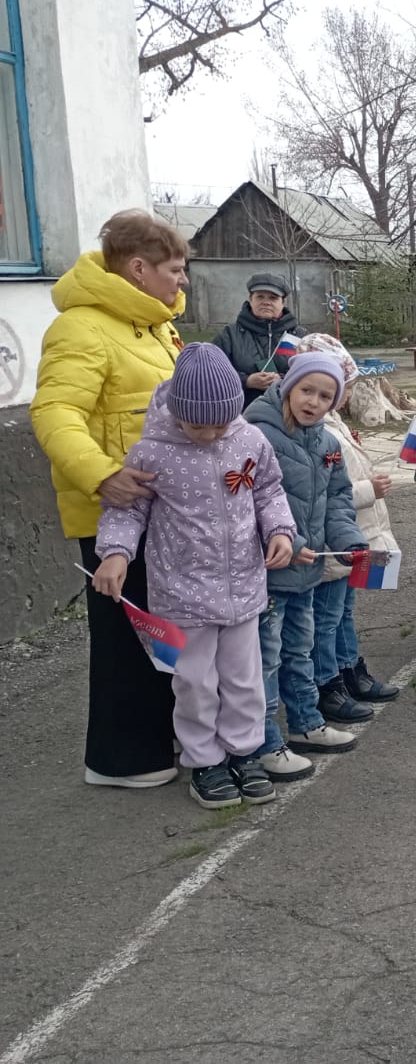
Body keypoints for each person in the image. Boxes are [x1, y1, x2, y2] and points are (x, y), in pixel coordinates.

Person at [92, 344, 297, 809]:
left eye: (219, 424)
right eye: (197, 425)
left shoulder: (249, 440)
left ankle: (244, 751)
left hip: (243, 587)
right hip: (181, 593)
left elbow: (268, 490)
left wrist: (280, 531)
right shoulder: (151, 452)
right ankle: (205, 760)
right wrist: (116, 553)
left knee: (244, 679)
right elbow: (127, 509)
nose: (209, 434)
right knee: (194, 683)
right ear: (177, 412)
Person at [31, 210, 190, 788]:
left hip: (159, 510)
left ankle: (161, 736)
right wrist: (101, 476)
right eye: (175, 269)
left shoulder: (153, 326)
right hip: (113, 511)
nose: (183, 280)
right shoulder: (82, 328)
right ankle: (122, 760)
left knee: (162, 629)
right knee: (128, 636)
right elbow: (55, 412)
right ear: (139, 269)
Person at [244, 352, 368, 779]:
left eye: (325, 396)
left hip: (307, 573)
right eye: (307, 390)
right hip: (269, 571)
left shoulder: (328, 443)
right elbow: (246, 501)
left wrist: (348, 539)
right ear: (288, 386)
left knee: (299, 650)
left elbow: (338, 499)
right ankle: (264, 743)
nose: (313, 402)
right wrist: (289, 541)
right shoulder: (256, 434)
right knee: (266, 659)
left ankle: (306, 724)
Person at [296, 334, 403, 723]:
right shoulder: (314, 431)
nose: (343, 395)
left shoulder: (333, 422)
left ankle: (350, 669)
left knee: (343, 612)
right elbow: (323, 492)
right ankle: (327, 684)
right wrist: (368, 490)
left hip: (349, 536)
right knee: (325, 619)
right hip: (331, 542)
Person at [214, 272, 301, 406]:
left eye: (273, 298)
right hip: (242, 411)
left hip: (288, 411)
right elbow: (212, 373)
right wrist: (246, 381)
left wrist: (283, 379)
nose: (266, 302)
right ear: (250, 299)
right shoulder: (229, 335)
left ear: (283, 302)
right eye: (260, 296)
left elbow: (311, 373)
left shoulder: (299, 335)